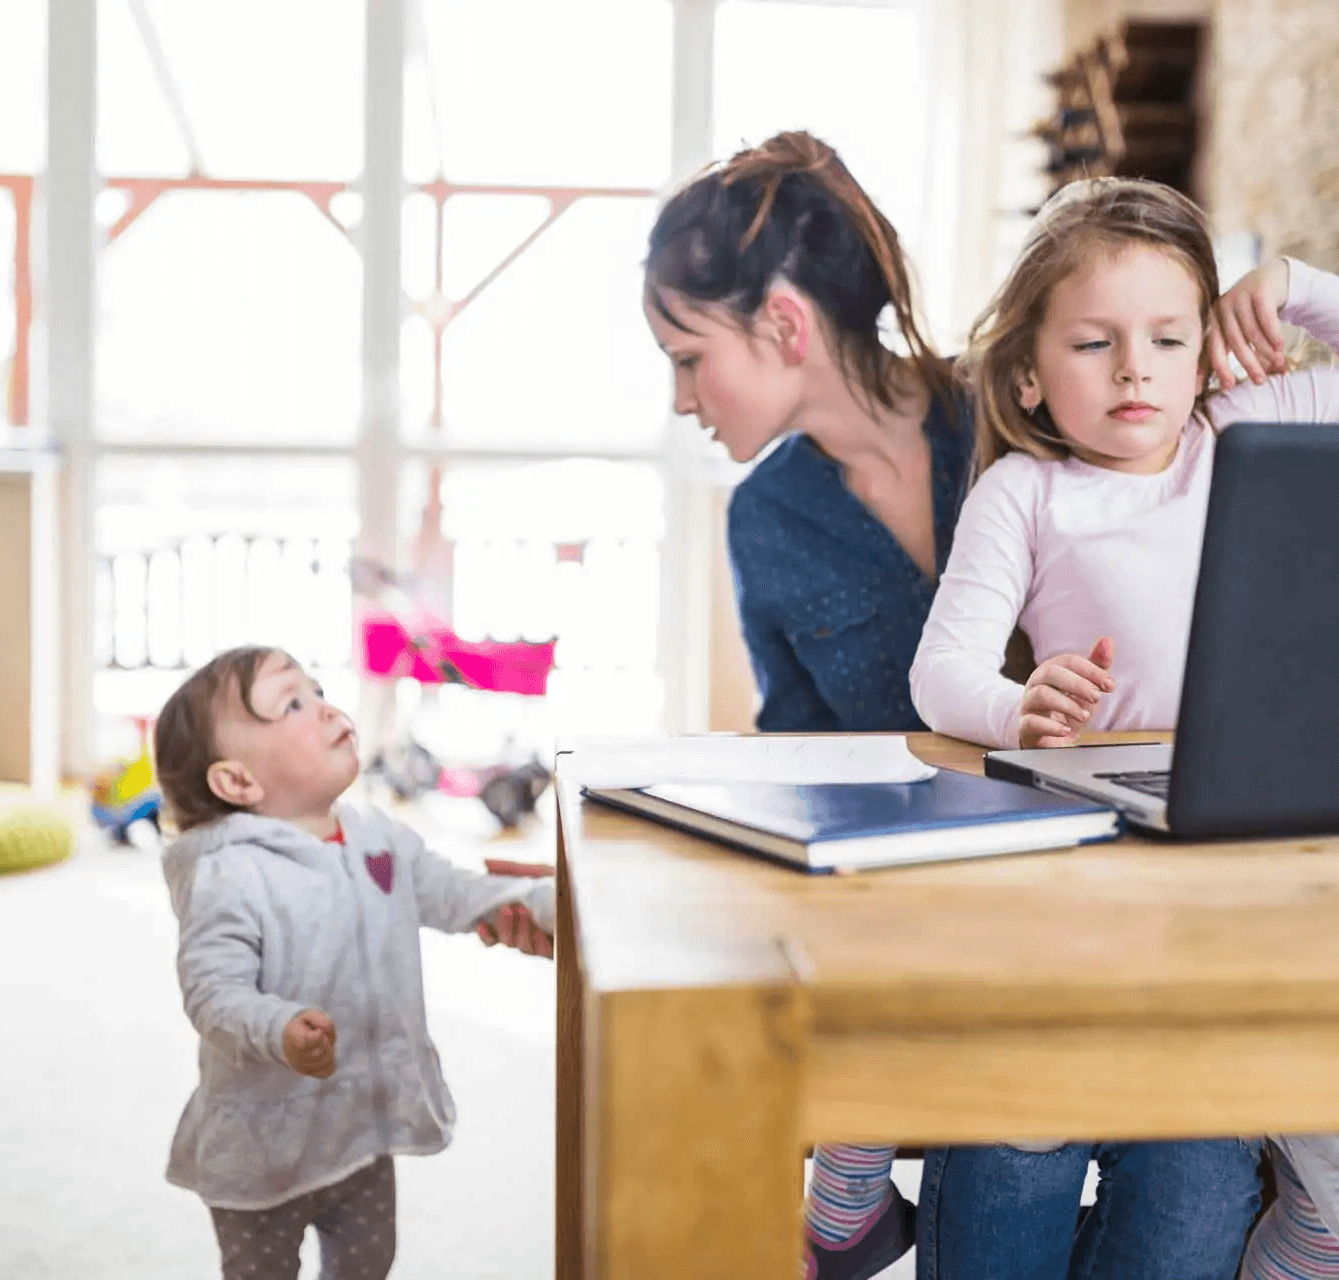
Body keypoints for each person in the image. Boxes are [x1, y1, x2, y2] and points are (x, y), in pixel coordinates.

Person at [909, 176, 1339, 1278]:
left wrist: (1292, 290)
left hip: (1244, 859)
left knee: (1338, 1176)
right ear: (1027, 369)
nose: (1135, 369)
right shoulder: (1026, 490)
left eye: (1169, 337)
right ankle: (850, 1168)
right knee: (1017, 1111)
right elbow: (941, 674)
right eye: (1095, 341)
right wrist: (1017, 705)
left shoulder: (1243, 427)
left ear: (1208, 349)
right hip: (1092, 863)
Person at [643, 129, 967, 1280]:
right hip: (915, 896)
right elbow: (802, 759)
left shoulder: (1009, 419)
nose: (681, 396)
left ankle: (845, 1205)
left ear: (783, 323)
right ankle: (846, 1197)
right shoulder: (765, 519)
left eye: (689, 356)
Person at [153, 645, 555, 1280]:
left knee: (369, 1261)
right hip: (266, 1149)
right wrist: (277, 1028)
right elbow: (212, 992)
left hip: (361, 1126)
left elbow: (453, 893)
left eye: (315, 689)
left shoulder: (377, 838)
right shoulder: (228, 874)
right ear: (238, 782)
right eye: (292, 704)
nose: (324, 707)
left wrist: (534, 902)